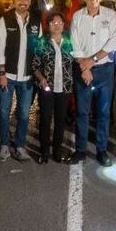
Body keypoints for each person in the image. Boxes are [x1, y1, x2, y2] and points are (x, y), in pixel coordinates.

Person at [70, 0, 116, 166]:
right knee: (82, 113)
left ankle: (101, 150)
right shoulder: (77, 17)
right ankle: (80, 150)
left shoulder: (111, 15)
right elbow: (74, 44)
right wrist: (85, 67)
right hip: (83, 71)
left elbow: (112, 42)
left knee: (103, 113)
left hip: (104, 71)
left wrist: (92, 62)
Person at [0, 0, 41, 162]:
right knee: (4, 112)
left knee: (23, 114)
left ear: (30, 1)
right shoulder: (4, 20)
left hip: (27, 78)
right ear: (13, 1)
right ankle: (4, 146)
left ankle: (20, 146)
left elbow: (38, 49)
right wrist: (2, 73)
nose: (23, 2)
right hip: (8, 76)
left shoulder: (36, 22)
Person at [32, 11, 75, 164]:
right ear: (48, 25)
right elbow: (34, 65)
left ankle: (57, 150)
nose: (56, 25)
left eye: (59, 22)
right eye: (53, 23)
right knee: (45, 119)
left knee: (60, 120)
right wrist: (42, 79)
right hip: (47, 87)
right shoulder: (42, 42)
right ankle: (44, 151)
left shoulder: (70, 41)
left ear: (64, 25)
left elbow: (76, 62)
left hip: (64, 88)